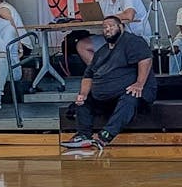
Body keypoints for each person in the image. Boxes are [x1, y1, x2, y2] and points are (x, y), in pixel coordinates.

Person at [61, 16, 158, 149]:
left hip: (130, 92)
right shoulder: (102, 52)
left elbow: (145, 59)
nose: (107, 29)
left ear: (121, 27)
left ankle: (105, 136)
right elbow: (88, 75)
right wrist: (83, 94)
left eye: (111, 26)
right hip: (105, 97)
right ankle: (83, 136)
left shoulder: (132, 41)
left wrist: (139, 83)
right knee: (82, 101)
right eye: (105, 27)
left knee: (130, 97)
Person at [76, 0, 151, 66]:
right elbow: (100, 19)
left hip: (135, 36)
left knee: (116, 47)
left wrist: (109, 18)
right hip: (113, 36)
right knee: (82, 45)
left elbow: (129, 15)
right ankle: (100, 73)